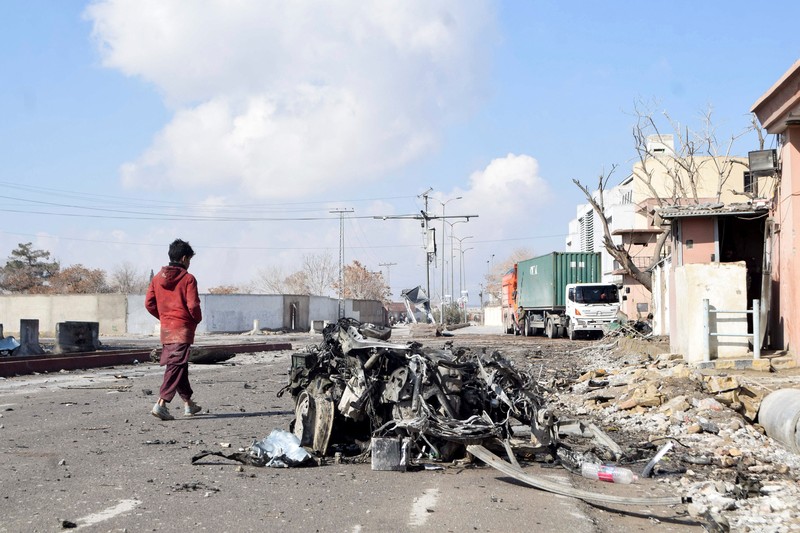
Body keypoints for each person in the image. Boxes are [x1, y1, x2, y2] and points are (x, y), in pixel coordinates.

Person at [145, 239, 203, 421]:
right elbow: (193, 305)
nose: (189, 264)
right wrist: (195, 320)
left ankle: (189, 404)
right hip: (182, 329)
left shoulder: (156, 279)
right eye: (189, 260)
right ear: (184, 258)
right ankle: (161, 403)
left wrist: (164, 317)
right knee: (175, 366)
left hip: (167, 330)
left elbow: (149, 304)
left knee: (179, 365)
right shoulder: (188, 279)